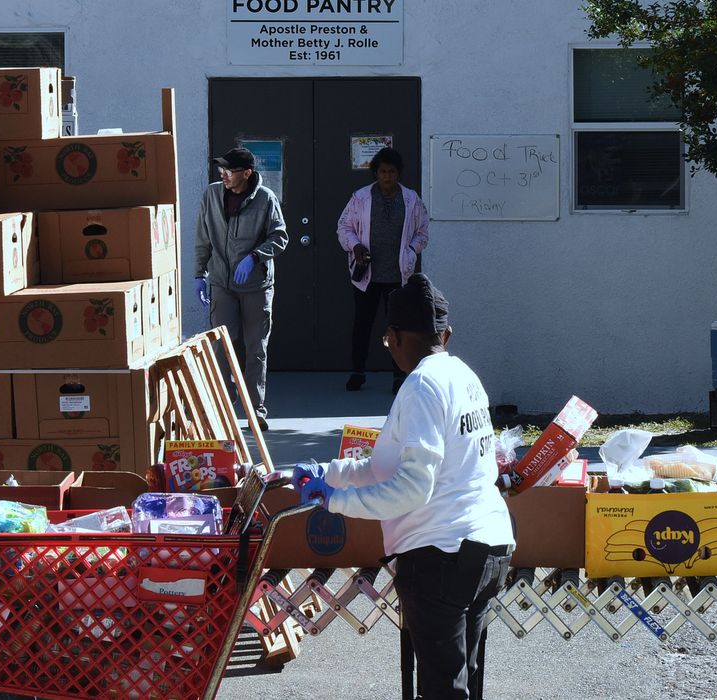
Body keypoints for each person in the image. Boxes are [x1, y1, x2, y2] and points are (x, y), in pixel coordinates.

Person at [295, 273, 513, 700]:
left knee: (442, 691)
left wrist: (335, 501)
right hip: (489, 549)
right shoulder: (463, 376)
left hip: (440, 557)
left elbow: (413, 488)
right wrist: (329, 471)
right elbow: (388, 464)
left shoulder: (421, 386)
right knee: (459, 683)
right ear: (445, 335)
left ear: (392, 337)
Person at [193, 147, 288, 431]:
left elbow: (280, 236)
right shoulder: (212, 194)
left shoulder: (265, 199)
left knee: (255, 347)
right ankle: (225, 406)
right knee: (223, 345)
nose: (223, 174)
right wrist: (200, 273)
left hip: (255, 285)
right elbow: (202, 236)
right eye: (221, 169)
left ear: (246, 174)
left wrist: (255, 256)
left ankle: (255, 410)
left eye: (229, 170)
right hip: (222, 282)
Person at [336, 147, 430, 394]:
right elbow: (344, 227)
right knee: (362, 324)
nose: (387, 176)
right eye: (382, 172)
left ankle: (399, 375)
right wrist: (355, 246)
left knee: (398, 328)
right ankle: (358, 372)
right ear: (375, 173)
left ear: (398, 174)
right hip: (367, 274)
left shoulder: (411, 199)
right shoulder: (360, 198)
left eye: (392, 172)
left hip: (398, 274)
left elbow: (423, 232)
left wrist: (410, 250)